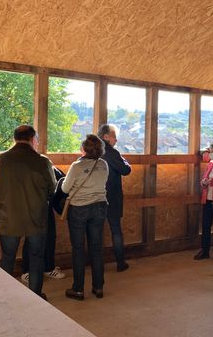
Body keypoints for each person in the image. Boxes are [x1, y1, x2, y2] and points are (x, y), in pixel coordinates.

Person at [0, 125, 55, 299]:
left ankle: (6, 295)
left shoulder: (1, 158)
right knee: (36, 258)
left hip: (8, 216)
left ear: (14, 139)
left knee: (7, 257)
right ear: (33, 139)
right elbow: (52, 189)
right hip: (36, 217)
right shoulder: (42, 161)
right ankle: (35, 295)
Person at [62, 134, 109, 301]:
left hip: (79, 209)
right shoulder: (103, 164)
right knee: (96, 248)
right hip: (100, 206)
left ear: (84, 149)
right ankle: (98, 287)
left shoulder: (76, 166)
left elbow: (66, 188)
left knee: (78, 249)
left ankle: (78, 289)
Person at [21, 166, 67, 284]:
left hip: (46, 206)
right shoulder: (28, 168)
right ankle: (27, 271)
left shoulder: (52, 168)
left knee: (50, 236)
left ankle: (48, 267)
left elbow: (62, 186)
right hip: (30, 206)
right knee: (31, 238)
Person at [98, 124, 132, 272]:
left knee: (96, 231)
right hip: (113, 197)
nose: (116, 140)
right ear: (106, 137)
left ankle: (96, 263)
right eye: (114, 136)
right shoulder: (112, 153)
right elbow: (126, 170)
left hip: (96, 197)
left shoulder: (94, 151)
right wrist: (124, 159)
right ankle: (120, 263)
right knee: (116, 230)